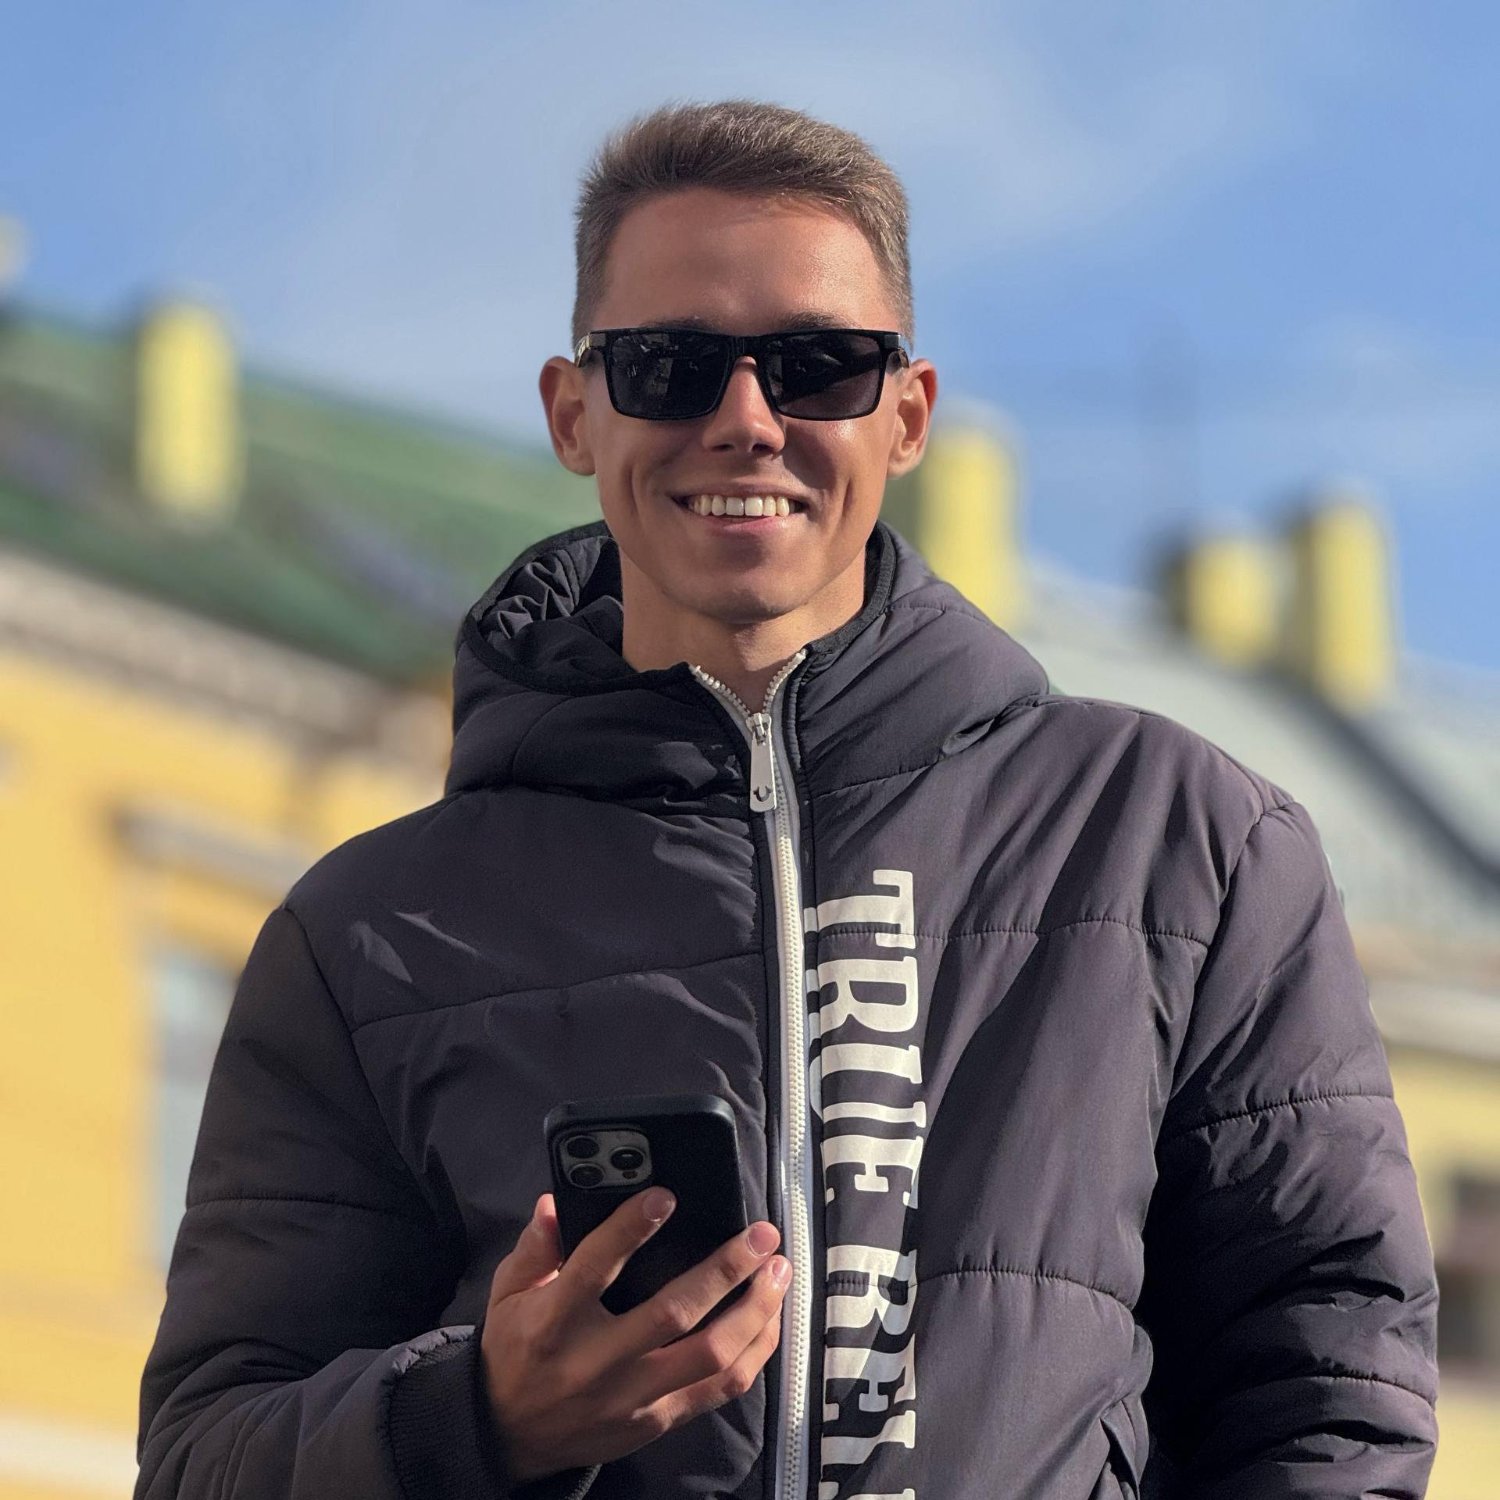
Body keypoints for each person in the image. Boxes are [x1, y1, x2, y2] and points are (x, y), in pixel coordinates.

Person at [135, 100, 1440, 1500]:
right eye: (671, 367)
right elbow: (206, 1460)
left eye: (820, 367)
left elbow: (1330, 1383)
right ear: (575, 414)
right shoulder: (369, 930)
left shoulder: (1177, 840)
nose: (747, 421)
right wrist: (481, 1417)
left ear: (908, 414)